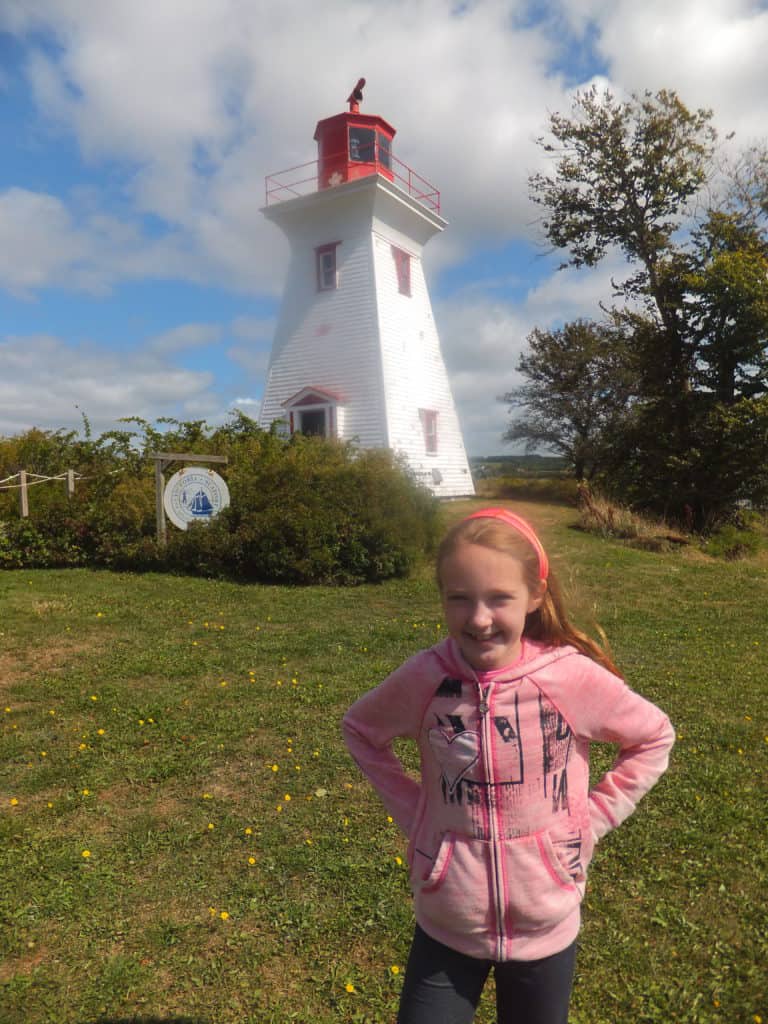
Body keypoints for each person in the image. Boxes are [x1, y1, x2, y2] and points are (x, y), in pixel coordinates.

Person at [342, 507, 674, 1024]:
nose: (478, 618)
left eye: (499, 598)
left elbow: (654, 735)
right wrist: (417, 814)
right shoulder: (426, 678)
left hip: (547, 923)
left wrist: (594, 819)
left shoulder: (568, 679)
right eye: (459, 598)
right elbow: (361, 729)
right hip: (447, 923)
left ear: (535, 596)